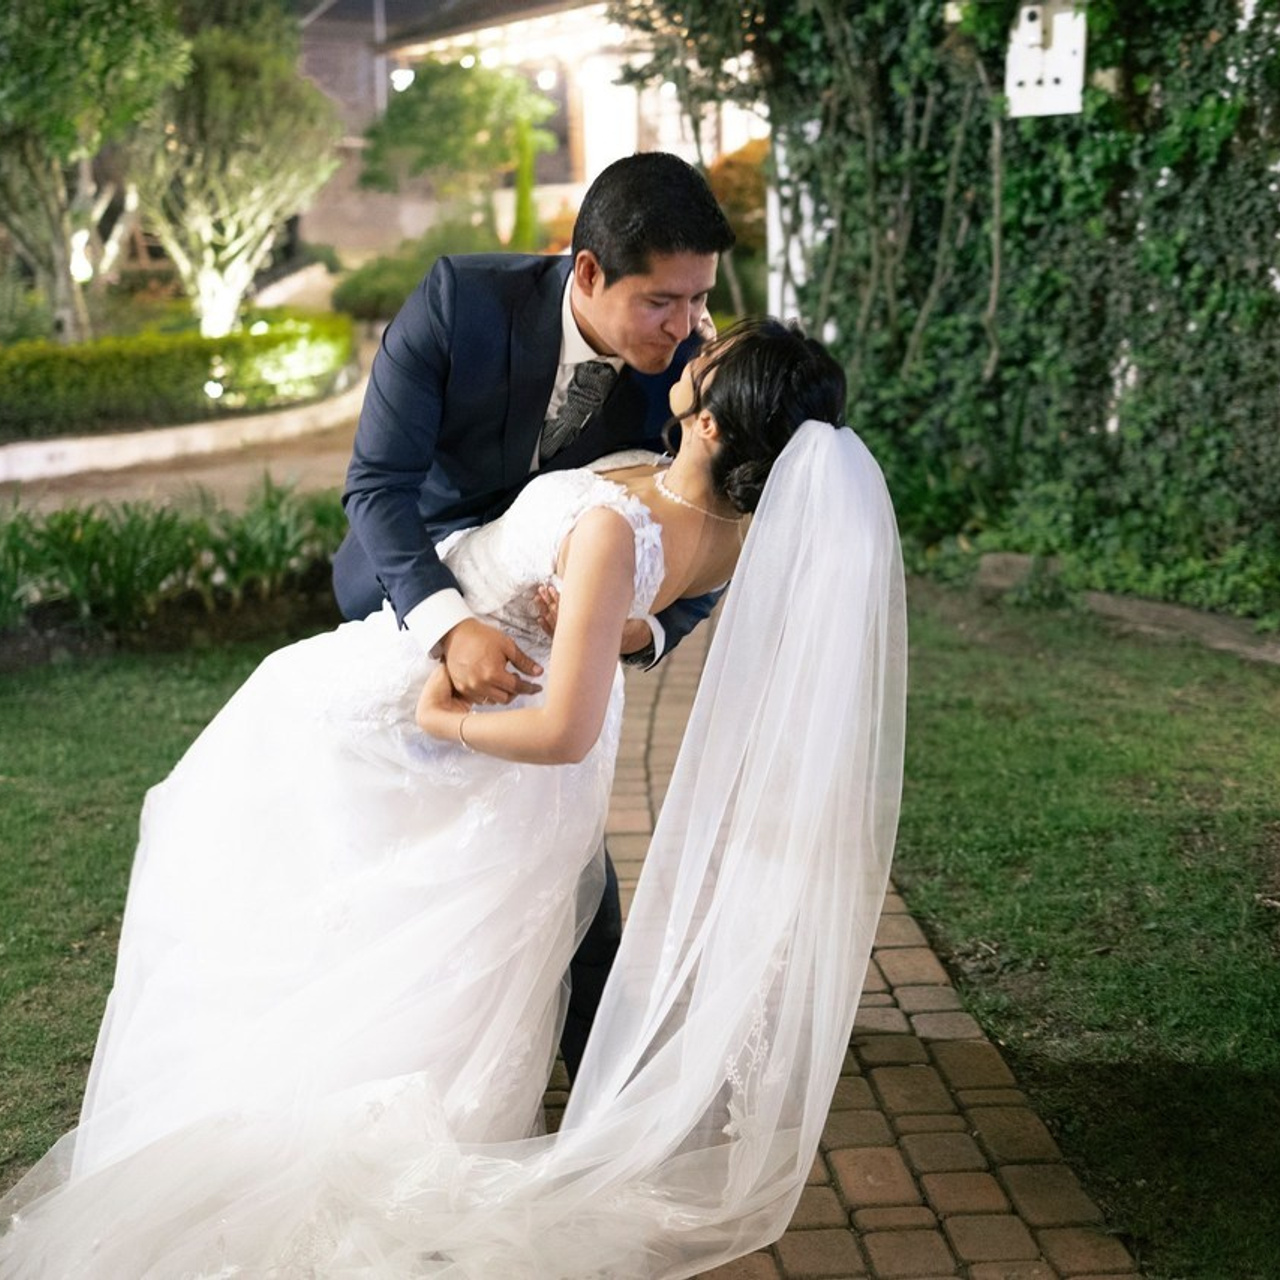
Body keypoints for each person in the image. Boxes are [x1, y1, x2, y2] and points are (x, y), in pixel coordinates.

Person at [0, 320, 907, 1279]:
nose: (699, 344)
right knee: (386, 945)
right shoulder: (732, 530)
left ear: (719, 423)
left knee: (303, 922)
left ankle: (294, 1126)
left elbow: (563, 731)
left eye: (717, 359)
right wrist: (624, 626)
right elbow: (647, 595)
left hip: (431, 724)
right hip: (451, 704)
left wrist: (447, 723)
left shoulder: (615, 527)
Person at [332, 151, 736, 1075]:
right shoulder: (459, 303)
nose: (686, 329)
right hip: (409, 605)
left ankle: (599, 1061)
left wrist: (644, 628)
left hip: (555, 646)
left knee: (560, 838)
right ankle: (400, 1043)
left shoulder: (689, 380)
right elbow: (378, 485)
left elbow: (718, 518)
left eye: (698, 299)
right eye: (661, 303)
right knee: (401, 832)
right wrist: (448, 624)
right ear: (587, 272)